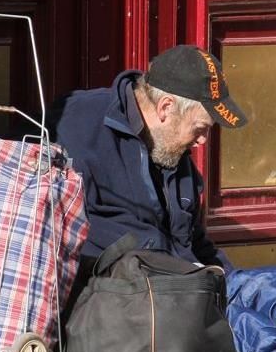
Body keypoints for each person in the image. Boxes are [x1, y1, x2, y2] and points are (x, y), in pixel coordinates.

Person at [51, 44, 248, 310]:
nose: (203, 141)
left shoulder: (172, 151)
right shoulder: (77, 125)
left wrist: (231, 283)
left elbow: (194, 241)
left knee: (268, 292)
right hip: (122, 303)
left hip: (181, 292)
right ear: (166, 107)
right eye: (200, 128)